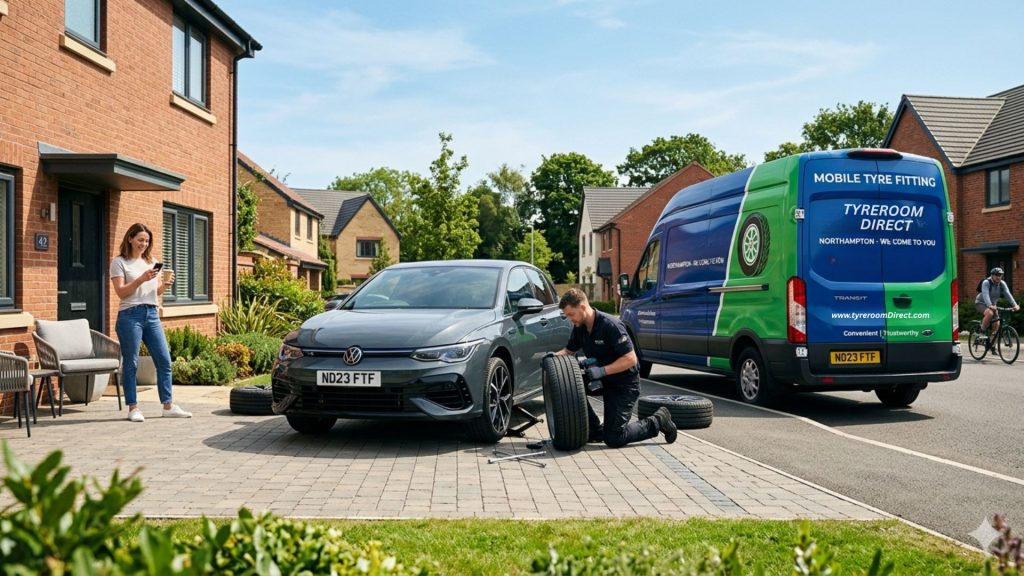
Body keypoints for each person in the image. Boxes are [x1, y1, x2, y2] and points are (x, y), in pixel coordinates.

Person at [549, 288, 676, 447]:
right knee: (568, 387)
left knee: (615, 438)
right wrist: (553, 358)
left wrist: (601, 371)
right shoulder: (580, 328)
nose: (569, 319)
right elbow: (569, 351)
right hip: (602, 380)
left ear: (582, 307)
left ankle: (658, 420)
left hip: (624, 384)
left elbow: (630, 359)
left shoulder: (610, 325)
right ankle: (594, 429)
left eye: (570, 314)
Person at [110, 223, 192, 422]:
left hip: (152, 314)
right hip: (130, 316)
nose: (143, 244)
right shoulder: (119, 262)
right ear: (130, 238)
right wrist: (141, 278)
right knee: (131, 363)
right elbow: (121, 292)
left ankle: (168, 405)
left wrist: (163, 285)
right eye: (140, 240)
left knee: (164, 360)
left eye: (146, 241)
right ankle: (133, 408)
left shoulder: (151, 261)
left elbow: (152, 293)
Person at [976, 267, 1020, 340]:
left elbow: (1008, 294)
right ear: (992, 275)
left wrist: (1014, 305)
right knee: (990, 313)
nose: (998, 277)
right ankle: (982, 331)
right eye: (996, 275)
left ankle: (993, 344)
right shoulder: (986, 282)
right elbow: (985, 294)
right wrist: (989, 305)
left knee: (997, 321)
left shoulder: (1002, 283)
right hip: (981, 303)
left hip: (993, 305)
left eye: (1000, 275)